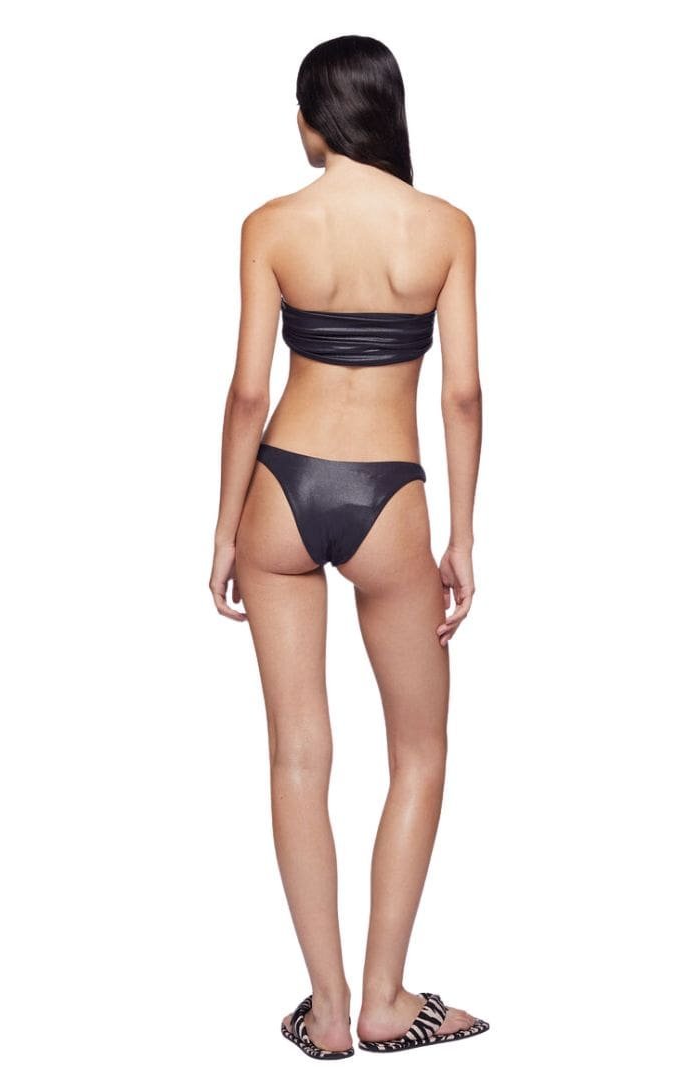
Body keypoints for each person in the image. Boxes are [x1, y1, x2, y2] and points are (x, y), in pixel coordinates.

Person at [210, 35, 487, 1060]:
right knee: (419, 750)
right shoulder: (444, 227)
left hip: (281, 489)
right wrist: (462, 533)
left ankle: (326, 1013)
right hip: (389, 498)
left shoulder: (270, 225)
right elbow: (462, 393)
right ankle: (383, 1000)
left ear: (313, 120)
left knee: (296, 751)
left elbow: (248, 391)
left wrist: (223, 526)